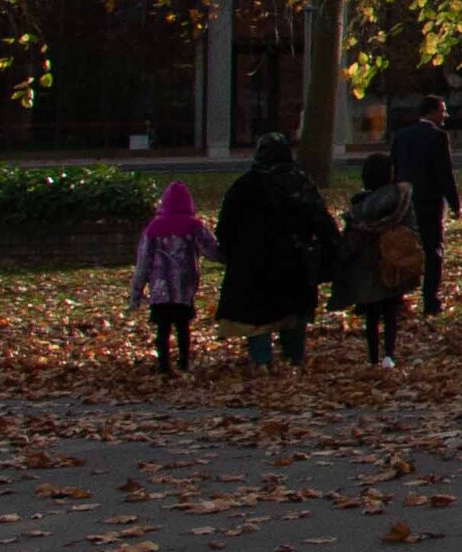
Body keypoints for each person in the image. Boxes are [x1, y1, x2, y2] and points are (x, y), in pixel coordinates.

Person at [213, 131, 332, 370]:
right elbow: (320, 219)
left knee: (257, 316)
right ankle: (294, 357)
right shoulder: (299, 182)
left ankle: (262, 360)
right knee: (294, 312)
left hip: (253, 263)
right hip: (293, 261)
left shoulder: (244, 186)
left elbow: (225, 226)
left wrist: (230, 252)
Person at [335, 149, 422, 369]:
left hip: (367, 265)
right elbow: (412, 230)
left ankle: (373, 356)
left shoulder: (359, 208)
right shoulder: (401, 201)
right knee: (391, 312)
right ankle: (389, 355)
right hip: (392, 261)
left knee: (372, 315)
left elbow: (351, 241)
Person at [383, 95, 458, 316]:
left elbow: (394, 169)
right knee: (433, 252)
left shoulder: (401, 136)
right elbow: (445, 174)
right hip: (430, 203)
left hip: (405, 202)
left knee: (404, 250)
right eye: (442, 110)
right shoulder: (438, 137)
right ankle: (430, 300)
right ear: (432, 112)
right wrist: (455, 203)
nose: (445, 115)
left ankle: (398, 300)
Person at [131, 179, 215, 373]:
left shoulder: (153, 228)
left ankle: (163, 364)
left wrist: (136, 292)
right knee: (182, 326)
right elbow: (211, 250)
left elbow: (143, 262)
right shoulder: (193, 226)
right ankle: (184, 361)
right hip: (183, 287)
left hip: (160, 288)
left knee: (162, 327)